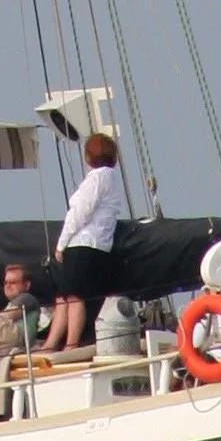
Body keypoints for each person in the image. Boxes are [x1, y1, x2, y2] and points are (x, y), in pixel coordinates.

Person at [43, 133, 127, 354]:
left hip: (84, 243)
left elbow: (80, 212)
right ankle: (51, 343)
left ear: (88, 157)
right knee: (64, 296)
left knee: (74, 296)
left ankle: (71, 343)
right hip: (97, 243)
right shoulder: (110, 178)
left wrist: (61, 244)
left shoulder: (97, 179)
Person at [0, 258, 47, 410]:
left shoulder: (26, 298)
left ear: (26, 285)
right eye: (6, 282)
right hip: (3, 343)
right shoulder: (10, 303)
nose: (8, 286)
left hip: (17, 342)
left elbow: (4, 318)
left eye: (13, 282)